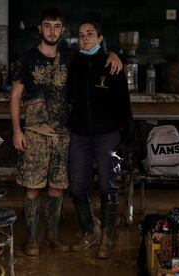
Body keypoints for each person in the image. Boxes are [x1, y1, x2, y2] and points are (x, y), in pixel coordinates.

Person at [10, 8, 123, 257]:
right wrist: (17, 130)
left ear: (62, 30)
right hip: (35, 134)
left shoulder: (71, 57)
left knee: (57, 187)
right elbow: (16, 95)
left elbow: (95, 56)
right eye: (47, 25)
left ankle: (52, 235)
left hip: (63, 135)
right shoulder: (26, 59)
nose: (52, 30)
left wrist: (113, 53)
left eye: (56, 26)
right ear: (40, 29)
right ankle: (31, 238)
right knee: (32, 187)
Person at [67, 20, 134, 259]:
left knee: (109, 186)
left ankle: (107, 237)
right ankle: (90, 231)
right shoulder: (72, 63)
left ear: (100, 37)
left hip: (108, 135)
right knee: (77, 187)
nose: (84, 38)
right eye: (80, 34)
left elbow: (124, 105)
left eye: (90, 34)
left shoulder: (111, 64)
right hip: (79, 135)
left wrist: (127, 140)